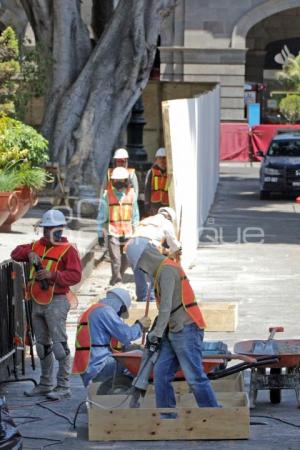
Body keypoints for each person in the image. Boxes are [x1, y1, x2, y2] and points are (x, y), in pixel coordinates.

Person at [126, 238, 219, 410]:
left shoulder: (167, 270)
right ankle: (167, 415)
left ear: (145, 259)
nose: (142, 271)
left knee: (194, 377)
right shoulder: (162, 270)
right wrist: (158, 329)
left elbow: (166, 308)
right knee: (161, 374)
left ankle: (214, 415)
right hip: (174, 330)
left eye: (140, 266)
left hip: (187, 329)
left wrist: (156, 333)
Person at [11, 209, 82, 400]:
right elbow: (16, 253)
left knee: (59, 345)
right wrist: (31, 253)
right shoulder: (37, 245)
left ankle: (63, 386)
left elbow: (75, 275)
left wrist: (53, 275)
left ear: (59, 230)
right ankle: (45, 383)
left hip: (57, 301)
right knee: (42, 345)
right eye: (45, 229)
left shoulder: (69, 250)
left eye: (50, 229)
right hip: (37, 301)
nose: (46, 233)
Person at [72, 288, 151, 387]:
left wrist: (131, 342)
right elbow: (126, 335)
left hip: (89, 366)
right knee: (140, 359)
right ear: (121, 307)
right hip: (98, 367)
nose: (118, 317)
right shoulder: (105, 312)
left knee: (134, 352)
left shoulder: (94, 310)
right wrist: (140, 325)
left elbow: (119, 338)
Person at [97, 167, 139, 285]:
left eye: (121, 180)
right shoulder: (107, 195)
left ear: (126, 181)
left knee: (126, 259)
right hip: (113, 231)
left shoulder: (132, 195)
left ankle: (115, 278)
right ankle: (118, 281)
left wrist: (136, 232)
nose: (119, 183)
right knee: (116, 259)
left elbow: (135, 215)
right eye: (116, 180)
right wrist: (100, 234)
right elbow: (101, 216)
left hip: (128, 232)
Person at [131, 207, 182, 302]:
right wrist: (179, 248)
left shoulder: (147, 219)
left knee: (139, 274)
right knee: (156, 273)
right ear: (169, 217)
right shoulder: (166, 223)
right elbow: (173, 244)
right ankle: (152, 299)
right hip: (146, 245)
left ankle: (142, 298)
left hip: (131, 245)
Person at [144, 147, 169, 216]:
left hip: (166, 204)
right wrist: (147, 203)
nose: (162, 160)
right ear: (156, 159)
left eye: (164, 158)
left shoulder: (170, 173)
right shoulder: (151, 172)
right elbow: (147, 189)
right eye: (159, 158)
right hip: (154, 205)